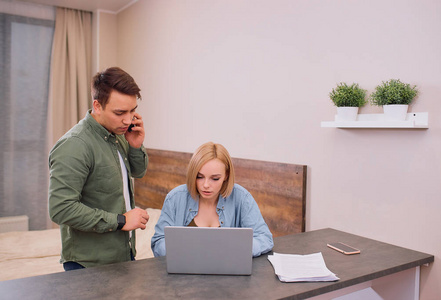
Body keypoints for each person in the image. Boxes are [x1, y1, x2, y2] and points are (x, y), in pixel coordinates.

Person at [49, 67, 150, 271]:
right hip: (89, 264)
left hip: (124, 254)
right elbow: (61, 208)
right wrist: (121, 220)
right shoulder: (75, 145)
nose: (128, 120)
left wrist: (135, 146)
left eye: (132, 111)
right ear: (97, 106)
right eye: (120, 112)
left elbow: (136, 173)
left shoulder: (119, 134)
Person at [151, 142, 274, 257]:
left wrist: (234, 250)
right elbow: (158, 242)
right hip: (184, 276)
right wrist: (186, 252)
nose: (205, 185)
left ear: (226, 175)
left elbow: (264, 238)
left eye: (215, 179)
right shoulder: (175, 198)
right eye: (199, 177)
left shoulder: (242, 198)